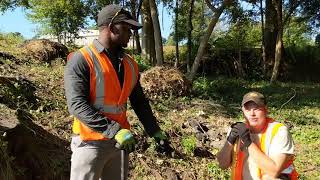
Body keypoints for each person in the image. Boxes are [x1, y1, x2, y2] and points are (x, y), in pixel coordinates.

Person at [64, 4, 172, 180]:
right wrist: (114, 130)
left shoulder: (130, 64)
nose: (131, 33)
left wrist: (154, 130)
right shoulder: (81, 59)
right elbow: (76, 104)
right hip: (89, 143)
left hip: (120, 145)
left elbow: (139, 102)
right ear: (113, 27)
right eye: (127, 28)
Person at [217, 91, 299, 180]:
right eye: (248, 109)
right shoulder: (238, 129)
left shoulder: (279, 131)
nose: (252, 113)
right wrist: (230, 140)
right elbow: (222, 165)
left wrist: (248, 142)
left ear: (266, 109)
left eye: (256, 108)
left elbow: (274, 171)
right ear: (243, 111)